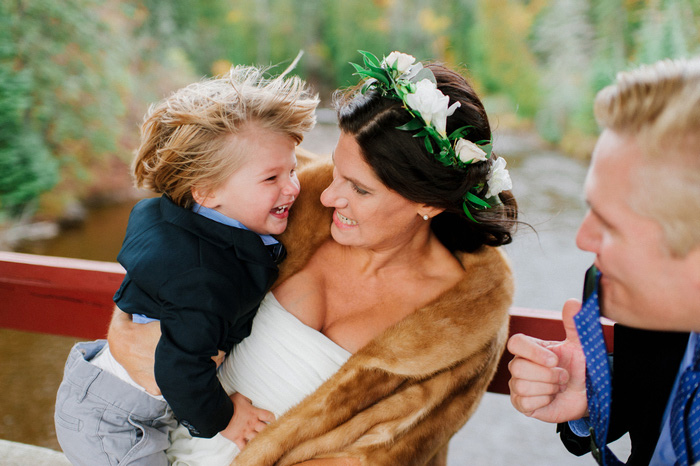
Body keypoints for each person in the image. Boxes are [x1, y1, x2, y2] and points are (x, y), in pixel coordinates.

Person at [107, 50, 518, 466]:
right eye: (336, 169)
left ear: (428, 203)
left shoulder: (460, 326)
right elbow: (173, 230)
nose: (326, 195)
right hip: (143, 441)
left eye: (359, 189)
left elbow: (385, 457)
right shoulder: (284, 197)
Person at [54, 65, 319, 466]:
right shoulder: (203, 278)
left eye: (293, 169)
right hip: (116, 422)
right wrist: (227, 418)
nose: (292, 188)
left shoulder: (179, 215)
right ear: (207, 191)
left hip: (98, 388)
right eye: (271, 178)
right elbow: (179, 370)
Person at [507, 56, 700, 465]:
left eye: (610, 225)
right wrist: (593, 397)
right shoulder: (649, 304)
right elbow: (643, 402)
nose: (582, 239)